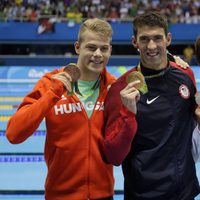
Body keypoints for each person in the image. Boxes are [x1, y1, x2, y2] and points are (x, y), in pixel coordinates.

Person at [6, 18, 116, 200]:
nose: (98, 54)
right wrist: (52, 94)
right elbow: (13, 134)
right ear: (77, 47)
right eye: (91, 47)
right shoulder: (49, 83)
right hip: (60, 195)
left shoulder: (114, 87)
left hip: (103, 195)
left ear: (110, 50)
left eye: (104, 48)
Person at [103, 11, 200, 200]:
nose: (152, 46)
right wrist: (127, 113)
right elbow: (113, 156)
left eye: (157, 38)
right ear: (134, 42)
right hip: (143, 194)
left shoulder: (185, 76)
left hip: (185, 192)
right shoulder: (120, 89)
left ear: (168, 39)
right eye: (144, 39)